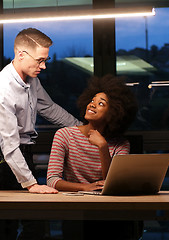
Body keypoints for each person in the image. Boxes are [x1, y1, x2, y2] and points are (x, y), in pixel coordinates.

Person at [0, 27, 81, 239]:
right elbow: (8, 145)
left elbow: (48, 108)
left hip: (24, 152)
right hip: (0, 156)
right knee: (7, 227)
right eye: (39, 60)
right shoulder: (2, 89)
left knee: (36, 224)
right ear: (20, 54)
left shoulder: (32, 79)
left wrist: (81, 128)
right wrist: (32, 184)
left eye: (46, 60)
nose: (43, 66)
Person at [47, 75, 142, 240]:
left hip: (111, 212)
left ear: (114, 112)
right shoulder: (64, 135)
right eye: (92, 100)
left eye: (101, 103)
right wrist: (85, 187)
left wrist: (103, 147)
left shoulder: (121, 144)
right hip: (76, 213)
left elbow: (113, 183)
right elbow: (52, 180)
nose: (92, 104)